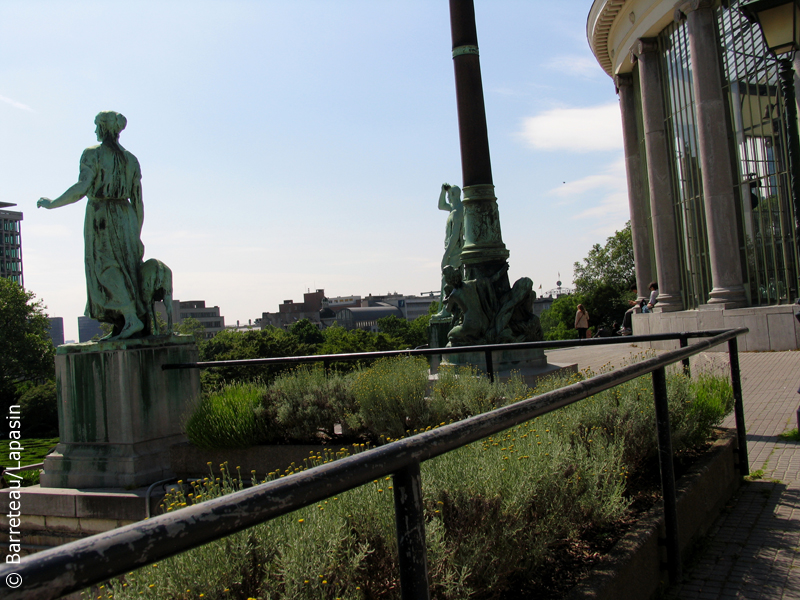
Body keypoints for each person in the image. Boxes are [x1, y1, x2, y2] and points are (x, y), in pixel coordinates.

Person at [38, 111, 146, 340]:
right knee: (127, 267)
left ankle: (130, 317)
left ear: (105, 128)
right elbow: (138, 202)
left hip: (102, 215)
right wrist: (136, 234)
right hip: (126, 217)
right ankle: (122, 324)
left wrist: (52, 203)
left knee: (105, 267)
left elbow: (82, 188)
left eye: (97, 125)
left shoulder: (92, 154)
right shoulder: (131, 159)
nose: (95, 130)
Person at [434, 183, 464, 318]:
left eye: (448, 195)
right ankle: (450, 309)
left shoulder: (458, 212)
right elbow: (440, 206)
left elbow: (455, 236)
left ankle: (447, 310)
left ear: (453, 195)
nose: (448, 198)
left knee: (448, 280)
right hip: (453, 250)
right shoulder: (454, 209)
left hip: (455, 250)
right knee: (451, 280)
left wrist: (446, 255)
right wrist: (442, 191)